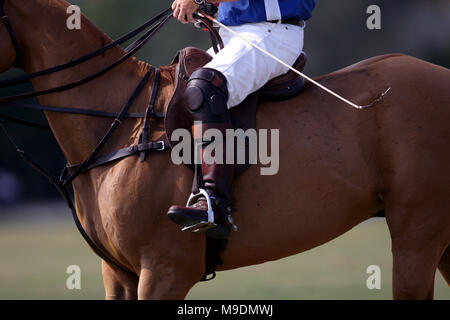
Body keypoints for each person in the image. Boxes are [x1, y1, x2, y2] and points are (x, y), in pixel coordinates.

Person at [167, 0, 316, 239]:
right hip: (232, 36)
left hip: (272, 33)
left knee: (205, 88)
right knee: (175, 91)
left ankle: (216, 205)